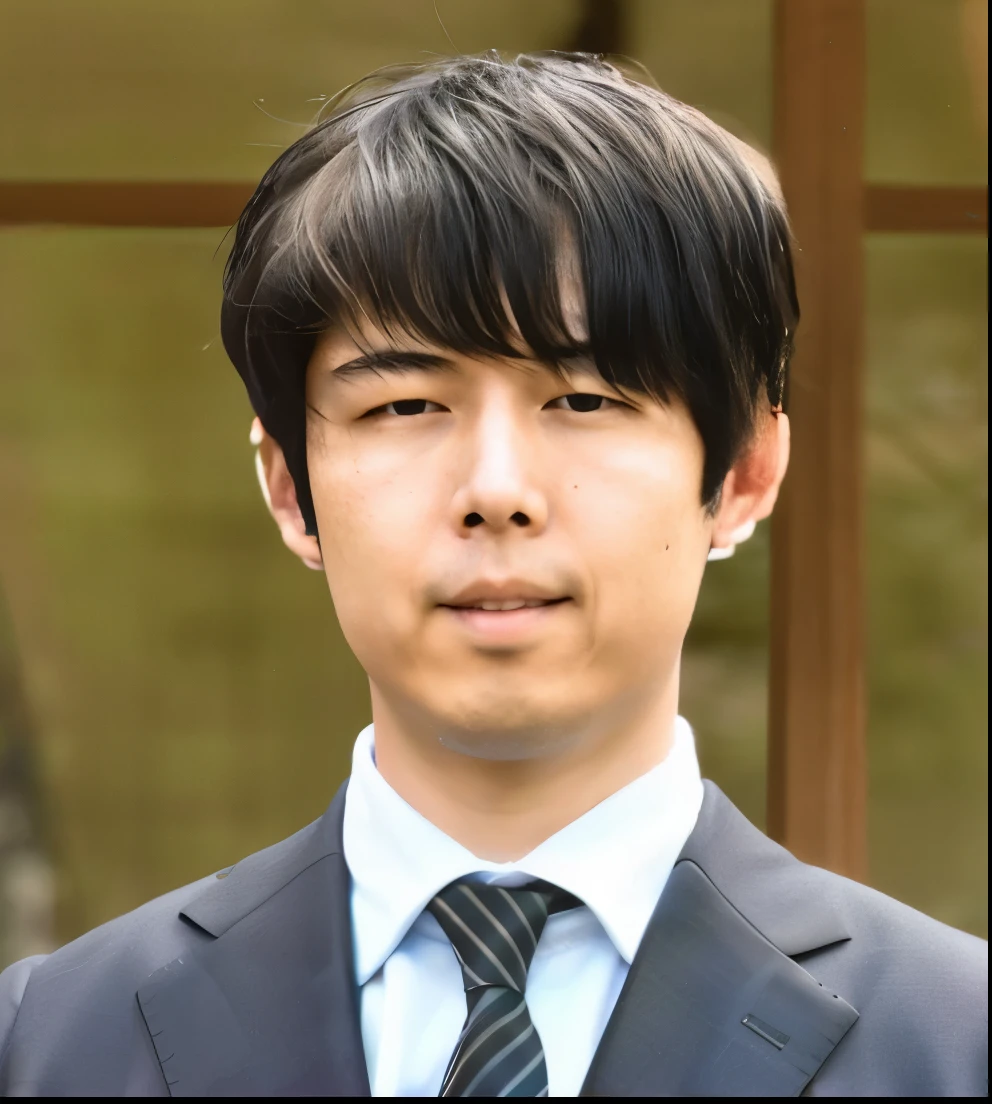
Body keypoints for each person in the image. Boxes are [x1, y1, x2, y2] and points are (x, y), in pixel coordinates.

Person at [0, 52, 985, 1098]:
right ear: (290, 487)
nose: (496, 489)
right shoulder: (46, 1045)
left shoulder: (955, 1044)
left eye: (586, 400)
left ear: (742, 470)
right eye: (405, 405)